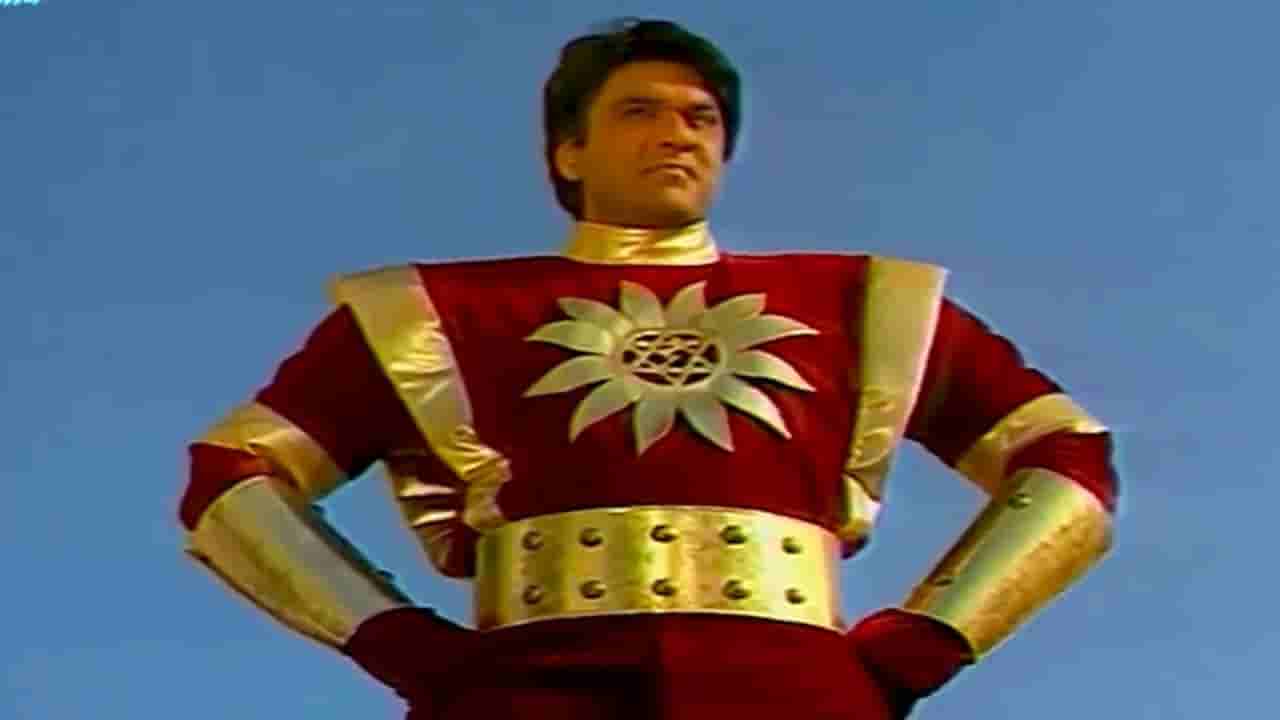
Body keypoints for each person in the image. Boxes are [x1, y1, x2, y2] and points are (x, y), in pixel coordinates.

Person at [178, 18, 1119, 720]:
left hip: (795, 690)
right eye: (640, 111)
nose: (679, 133)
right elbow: (232, 480)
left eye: (701, 118)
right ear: (569, 151)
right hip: (526, 692)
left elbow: (1066, 459)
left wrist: (925, 640)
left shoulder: (860, 301)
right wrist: (405, 647)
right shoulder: (435, 312)